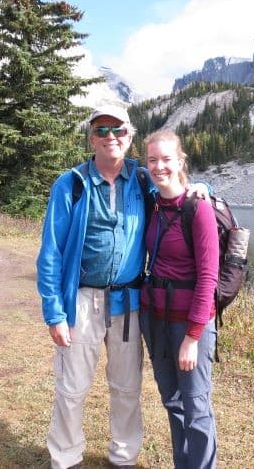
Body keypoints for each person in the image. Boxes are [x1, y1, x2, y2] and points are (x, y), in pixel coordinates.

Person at [36, 105, 209, 469]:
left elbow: (173, 188)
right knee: (72, 388)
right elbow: (50, 251)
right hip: (82, 300)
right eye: (101, 130)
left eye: (117, 130)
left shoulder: (142, 180)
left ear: (129, 137)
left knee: (128, 388)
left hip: (129, 302)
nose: (110, 137)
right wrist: (54, 311)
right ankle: (65, 459)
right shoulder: (72, 184)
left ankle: (123, 457)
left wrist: (200, 186)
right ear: (91, 138)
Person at [140, 129, 219, 468]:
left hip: (189, 325)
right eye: (153, 160)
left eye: (166, 159)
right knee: (172, 401)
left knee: (197, 407)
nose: (159, 167)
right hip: (155, 320)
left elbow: (208, 278)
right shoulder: (152, 201)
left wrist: (192, 337)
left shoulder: (198, 209)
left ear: (180, 161)